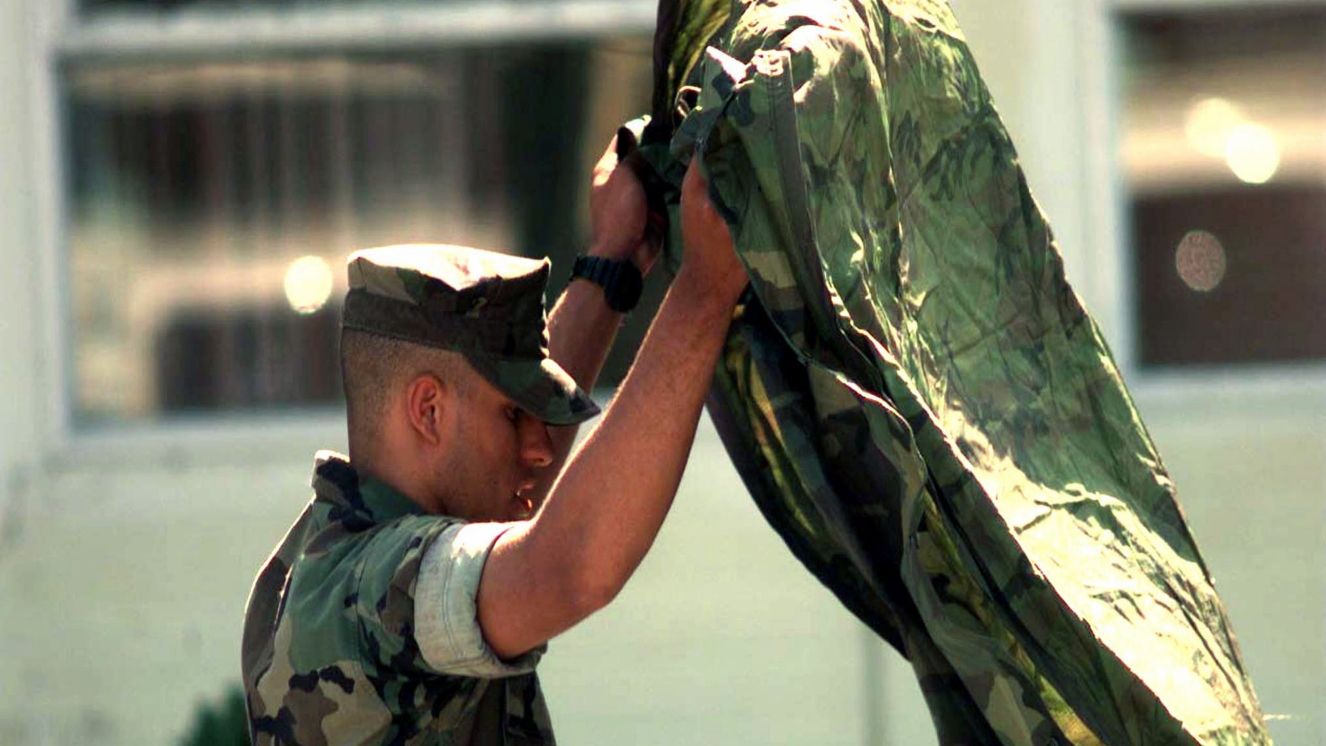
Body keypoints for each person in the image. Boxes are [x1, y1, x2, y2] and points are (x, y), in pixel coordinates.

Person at [241, 137, 747, 745]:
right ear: (428, 411)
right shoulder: (370, 586)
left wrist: (614, 261)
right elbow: (565, 569)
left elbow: (517, 471)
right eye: (514, 418)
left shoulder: (321, 555)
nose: (541, 448)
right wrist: (705, 289)